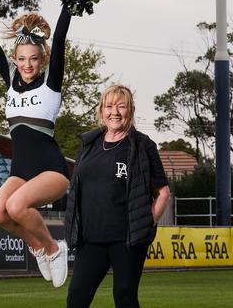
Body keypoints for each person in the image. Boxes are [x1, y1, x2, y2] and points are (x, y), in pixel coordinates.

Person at [0, 1, 72, 287]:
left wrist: (69, 1)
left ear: (43, 60)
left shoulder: (51, 83)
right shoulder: (12, 80)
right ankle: (38, 247)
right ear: (15, 59)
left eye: (34, 59)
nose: (27, 65)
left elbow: (61, 38)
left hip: (51, 170)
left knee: (15, 207)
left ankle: (54, 248)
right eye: (22, 59)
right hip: (20, 171)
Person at [65, 84, 171, 308]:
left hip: (127, 239)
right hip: (90, 239)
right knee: (76, 297)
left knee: (124, 297)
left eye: (121, 106)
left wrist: (146, 222)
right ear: (101, 110)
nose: (115, 112)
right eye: (109, 106)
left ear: (130, 110)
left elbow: (162, 192)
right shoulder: (88, 144)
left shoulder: (143, 145)